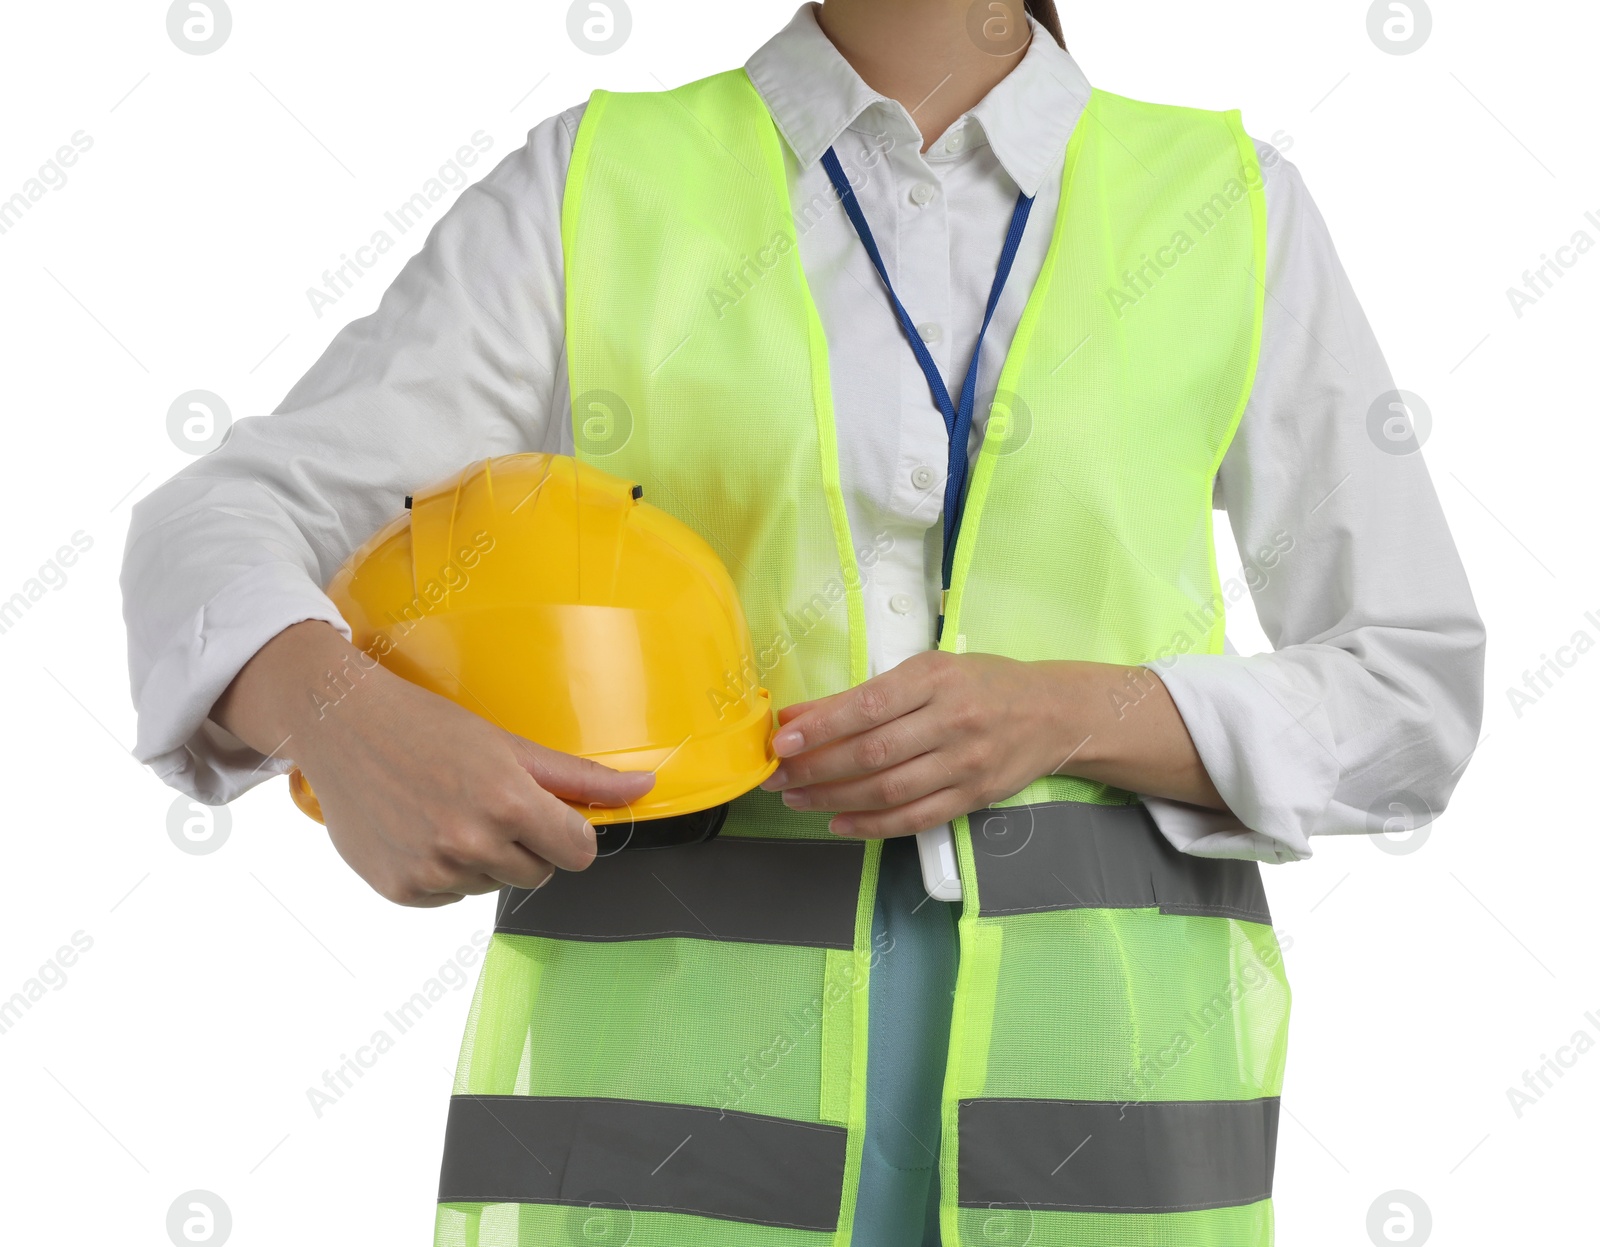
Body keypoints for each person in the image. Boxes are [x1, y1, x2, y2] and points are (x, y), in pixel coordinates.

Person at [120, 1, 1486, 1243]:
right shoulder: (597, 183)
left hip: (1103, 1127)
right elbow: (221, 518)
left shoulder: (1231, 206)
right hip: (661, 1155)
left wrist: (1080, 710)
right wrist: (336, 713)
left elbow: (1411, 689)